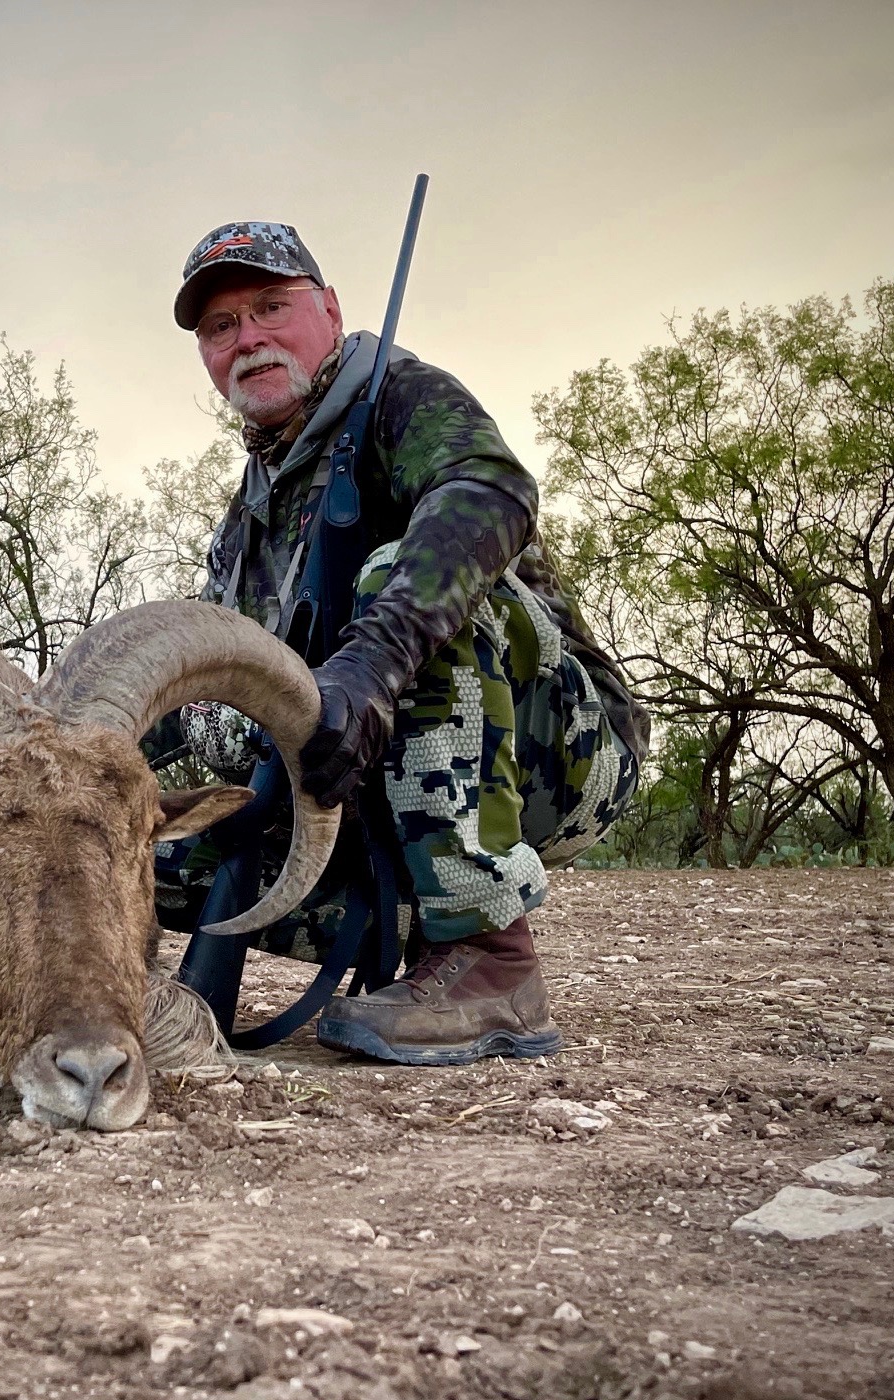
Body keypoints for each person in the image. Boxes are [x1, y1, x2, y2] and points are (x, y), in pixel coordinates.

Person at [152, 220, 650, 1066]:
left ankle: (492, 959)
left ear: (330, 310)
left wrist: (367, 662)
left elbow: (491, 492)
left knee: (398, 588)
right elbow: (208, 673)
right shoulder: (244, 520)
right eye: (221, 327)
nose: (249, 338)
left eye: (271, 306)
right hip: (368, 786)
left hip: (556, 755)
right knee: (134, 846)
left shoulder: (401, 399)